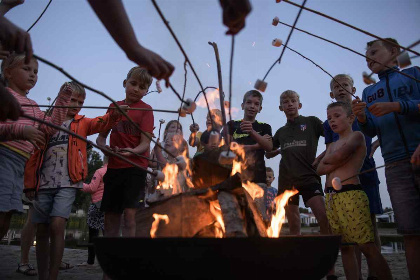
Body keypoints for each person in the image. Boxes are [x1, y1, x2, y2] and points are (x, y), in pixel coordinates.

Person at [23, 81, 123, 280]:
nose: (76, 104)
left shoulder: (82, 122)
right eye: (72, 99)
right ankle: (43, 275)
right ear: (62, 99)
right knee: (42, 229)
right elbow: (34, 155)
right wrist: (29, 184)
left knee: (57, 225)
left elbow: (101, 122)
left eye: (80, 101)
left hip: (69, 182)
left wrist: (115, 113)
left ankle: (53, 275)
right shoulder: (47, 122)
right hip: (43, 184)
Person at [352, 37, 420, 280]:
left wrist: (398, 106)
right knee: (410, 232)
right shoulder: (369, 92)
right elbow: (371, 130)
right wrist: (361, 118)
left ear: (394, 52)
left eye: (374, 52)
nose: (369, 59)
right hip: (394, 164)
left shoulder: (413, 74)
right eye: (366, 56)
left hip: (418, 151)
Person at [314, 74, 383, 279]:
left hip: (364, 174)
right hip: (337, 182)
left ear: (353, 88)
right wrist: (323, 168)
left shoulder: (363, 110)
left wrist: (377, 144)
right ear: (331, 93)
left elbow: (378, 128)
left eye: (345, 85)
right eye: (336, 86)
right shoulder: (330, 123)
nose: (341, 88)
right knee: (345, 236)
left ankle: (374, 274)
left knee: (369, 227)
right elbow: (329, 151)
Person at [0, 53, 72, 240]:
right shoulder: (4, 96)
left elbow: (51, 127)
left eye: (36, 71)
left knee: (7, 211)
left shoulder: (34, 106)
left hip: (19, 164)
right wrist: (22, 131)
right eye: (26, 69)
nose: (32, 74)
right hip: (3, 156)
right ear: (7, 72)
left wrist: (63, 100)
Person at [96, 67, 153, 248]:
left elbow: (145, 144)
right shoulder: (114, 107)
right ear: (125, 83)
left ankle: (129, 255)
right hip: (114, 168)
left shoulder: (147, 110)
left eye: (142, 87)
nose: (136, 89)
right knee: (111, 216)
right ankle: (111, 258)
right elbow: (101, 136)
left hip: (136, 168)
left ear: (146, 91)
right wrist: (104, 148)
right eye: (133, 83)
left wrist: (132, 151)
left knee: (130, 216)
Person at [266, 90, 329, 236]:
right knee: (294, 222)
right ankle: (297, 254)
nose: (289, 104)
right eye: (285, 102)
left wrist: (321, 157)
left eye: (293, 101)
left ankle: (328, 251)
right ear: (281, 108)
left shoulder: (312, 122)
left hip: (309, 176)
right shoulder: (281, 131)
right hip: (287, 179)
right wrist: (277, 150)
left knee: (323, 217)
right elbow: (268, 154)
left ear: (299, 104)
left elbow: (333, 136)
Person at [225, 89, 272, 219]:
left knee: (258, 219)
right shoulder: (231, 125)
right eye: (249, 102)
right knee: (236, 218)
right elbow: (228, 148)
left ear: (260, 108)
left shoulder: (265, 127)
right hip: (235, 179)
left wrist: (252, 132)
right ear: (242, 105)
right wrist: (256, 146)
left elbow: (268, 147)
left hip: (258, 179)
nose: (252, 106)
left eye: (256, 104)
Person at [78, 156, 108, 267]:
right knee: (108, 234)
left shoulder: (100, 171)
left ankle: (90, 261)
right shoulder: (116, 172)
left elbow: (92, 188)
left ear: (105, 159)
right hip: (110, 207)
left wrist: (79, 185)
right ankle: (108, 261)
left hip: (97, 205)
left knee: (93, 235)